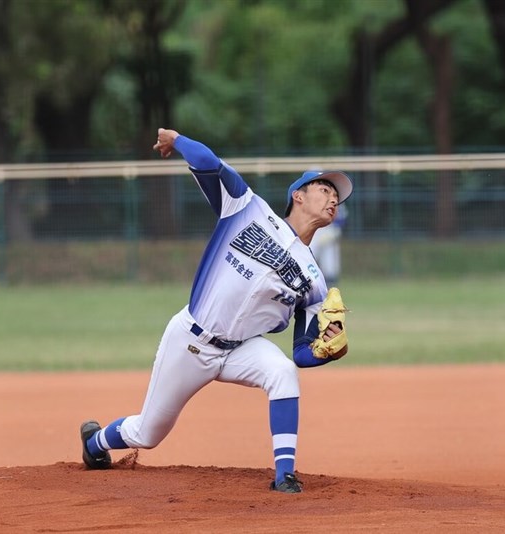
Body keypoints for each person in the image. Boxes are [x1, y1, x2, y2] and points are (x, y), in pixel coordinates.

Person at [79, 128, 353, 493]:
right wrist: (177, 140)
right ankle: (95, 443)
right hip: (192, 340)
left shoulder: (315, 280)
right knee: (149, 433)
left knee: (283, 373)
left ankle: (284, 474)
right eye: (325, 190)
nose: (333, 199)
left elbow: (302, 353)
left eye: (337, 196)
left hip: (241, 349)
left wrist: (327, 351)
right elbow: (209, 164)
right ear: (297, 196)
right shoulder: (247, 208)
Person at [309, 203, 347, 287]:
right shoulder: (312, 197)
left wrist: (334, 231)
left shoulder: (336, 201)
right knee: (308, 255)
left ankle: (331, 288)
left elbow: (341, 219)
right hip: (315, 229)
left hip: (330, 229)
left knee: (330, 263)